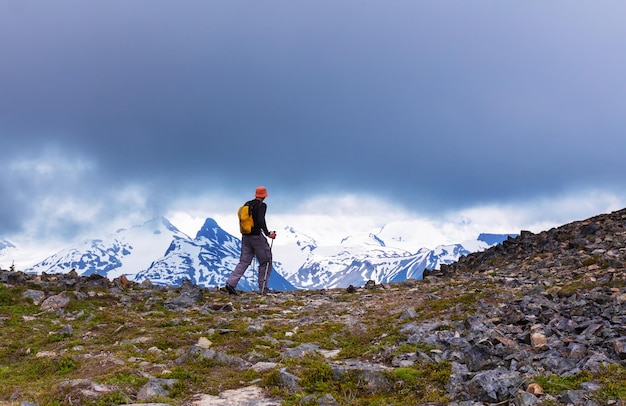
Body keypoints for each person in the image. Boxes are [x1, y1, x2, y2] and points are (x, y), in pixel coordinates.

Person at [225, 186, 277, 294]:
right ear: (264, 196)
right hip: (257, 237)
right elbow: (260, 220)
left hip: (246, 236)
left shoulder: (247, 204)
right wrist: (268, 233)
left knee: (244, 261)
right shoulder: (261, 205)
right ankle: (263, 289)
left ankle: (231, 283)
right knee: (266, 261)